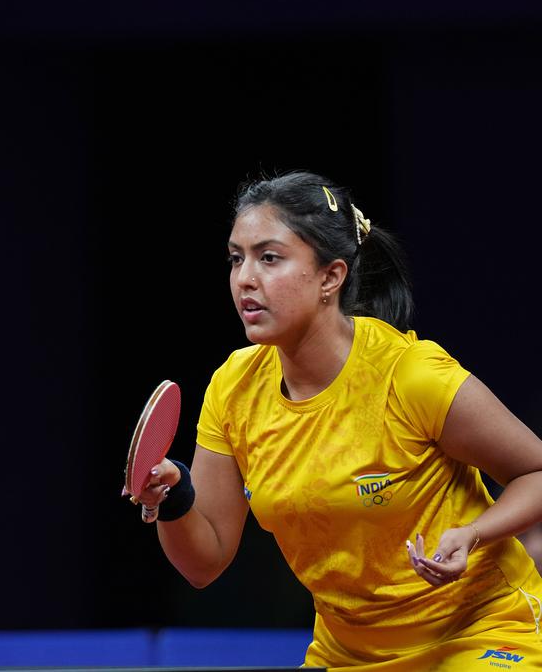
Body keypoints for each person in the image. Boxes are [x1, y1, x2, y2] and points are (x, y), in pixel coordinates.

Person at [134, 171, 542, 670]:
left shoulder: (410, 375)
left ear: (331, 276)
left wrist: (473, 532)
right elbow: (205, 562)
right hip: (349, 653)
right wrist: (175, 498)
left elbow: (536, 472)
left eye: (269, 257)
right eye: (236, 258)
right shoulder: (233, 388)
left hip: (478, 633)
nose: (244, 278)